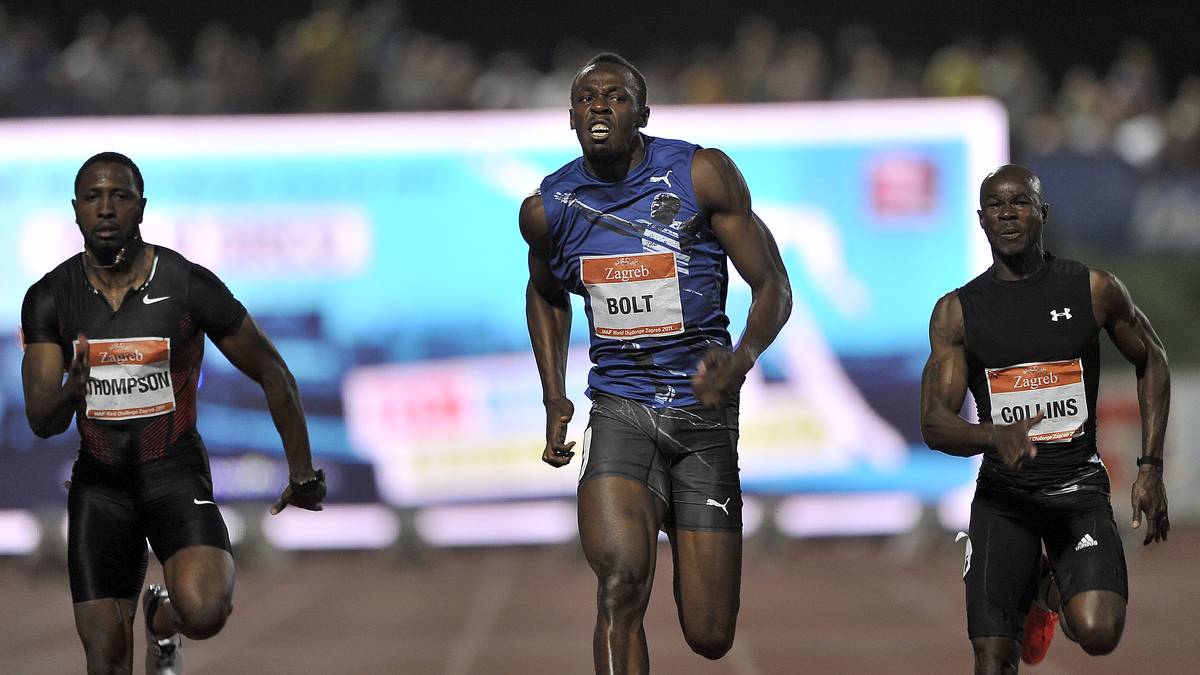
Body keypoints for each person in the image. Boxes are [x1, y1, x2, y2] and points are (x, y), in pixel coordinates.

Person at [520, 53, 792, 673]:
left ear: (642, 112)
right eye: (587, 97)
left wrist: (742, 359)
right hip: (620, 412)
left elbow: (774, 284)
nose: (600, 106)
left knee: (710, 635)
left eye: (616, 96)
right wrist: (554, 394)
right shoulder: (549, 208)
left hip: (703, 417)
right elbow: (543, 291)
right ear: (569, 117)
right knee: (619, 586)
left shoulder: (702, 174)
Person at [21, 151, 326, 675]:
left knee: (206, 611)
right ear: (76, 211)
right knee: (106, 662)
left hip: (175, 473)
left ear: (142, 207)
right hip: (101, 487)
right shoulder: (50, 298)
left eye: (120, 196)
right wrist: (72, 393)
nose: (107, 208)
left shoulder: (187, 284)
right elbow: (41, 422)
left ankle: (161, 620)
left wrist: (301, 473)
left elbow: (274, 372)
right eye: (93, 198)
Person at [919, 164, 1170, 674]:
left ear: (1043, 213)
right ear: (982, 220)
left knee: (1099, 631)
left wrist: (1150, 467)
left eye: (1020, 202)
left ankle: (1049, 591)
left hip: (1078, 492)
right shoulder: (958, 313)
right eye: (995, 205)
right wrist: (993, 434)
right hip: (1004, 501)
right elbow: (933, 423)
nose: (1007, 214)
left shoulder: (1093, 289)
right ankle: (1030, 583)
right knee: (993, 660)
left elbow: (1153, 360)